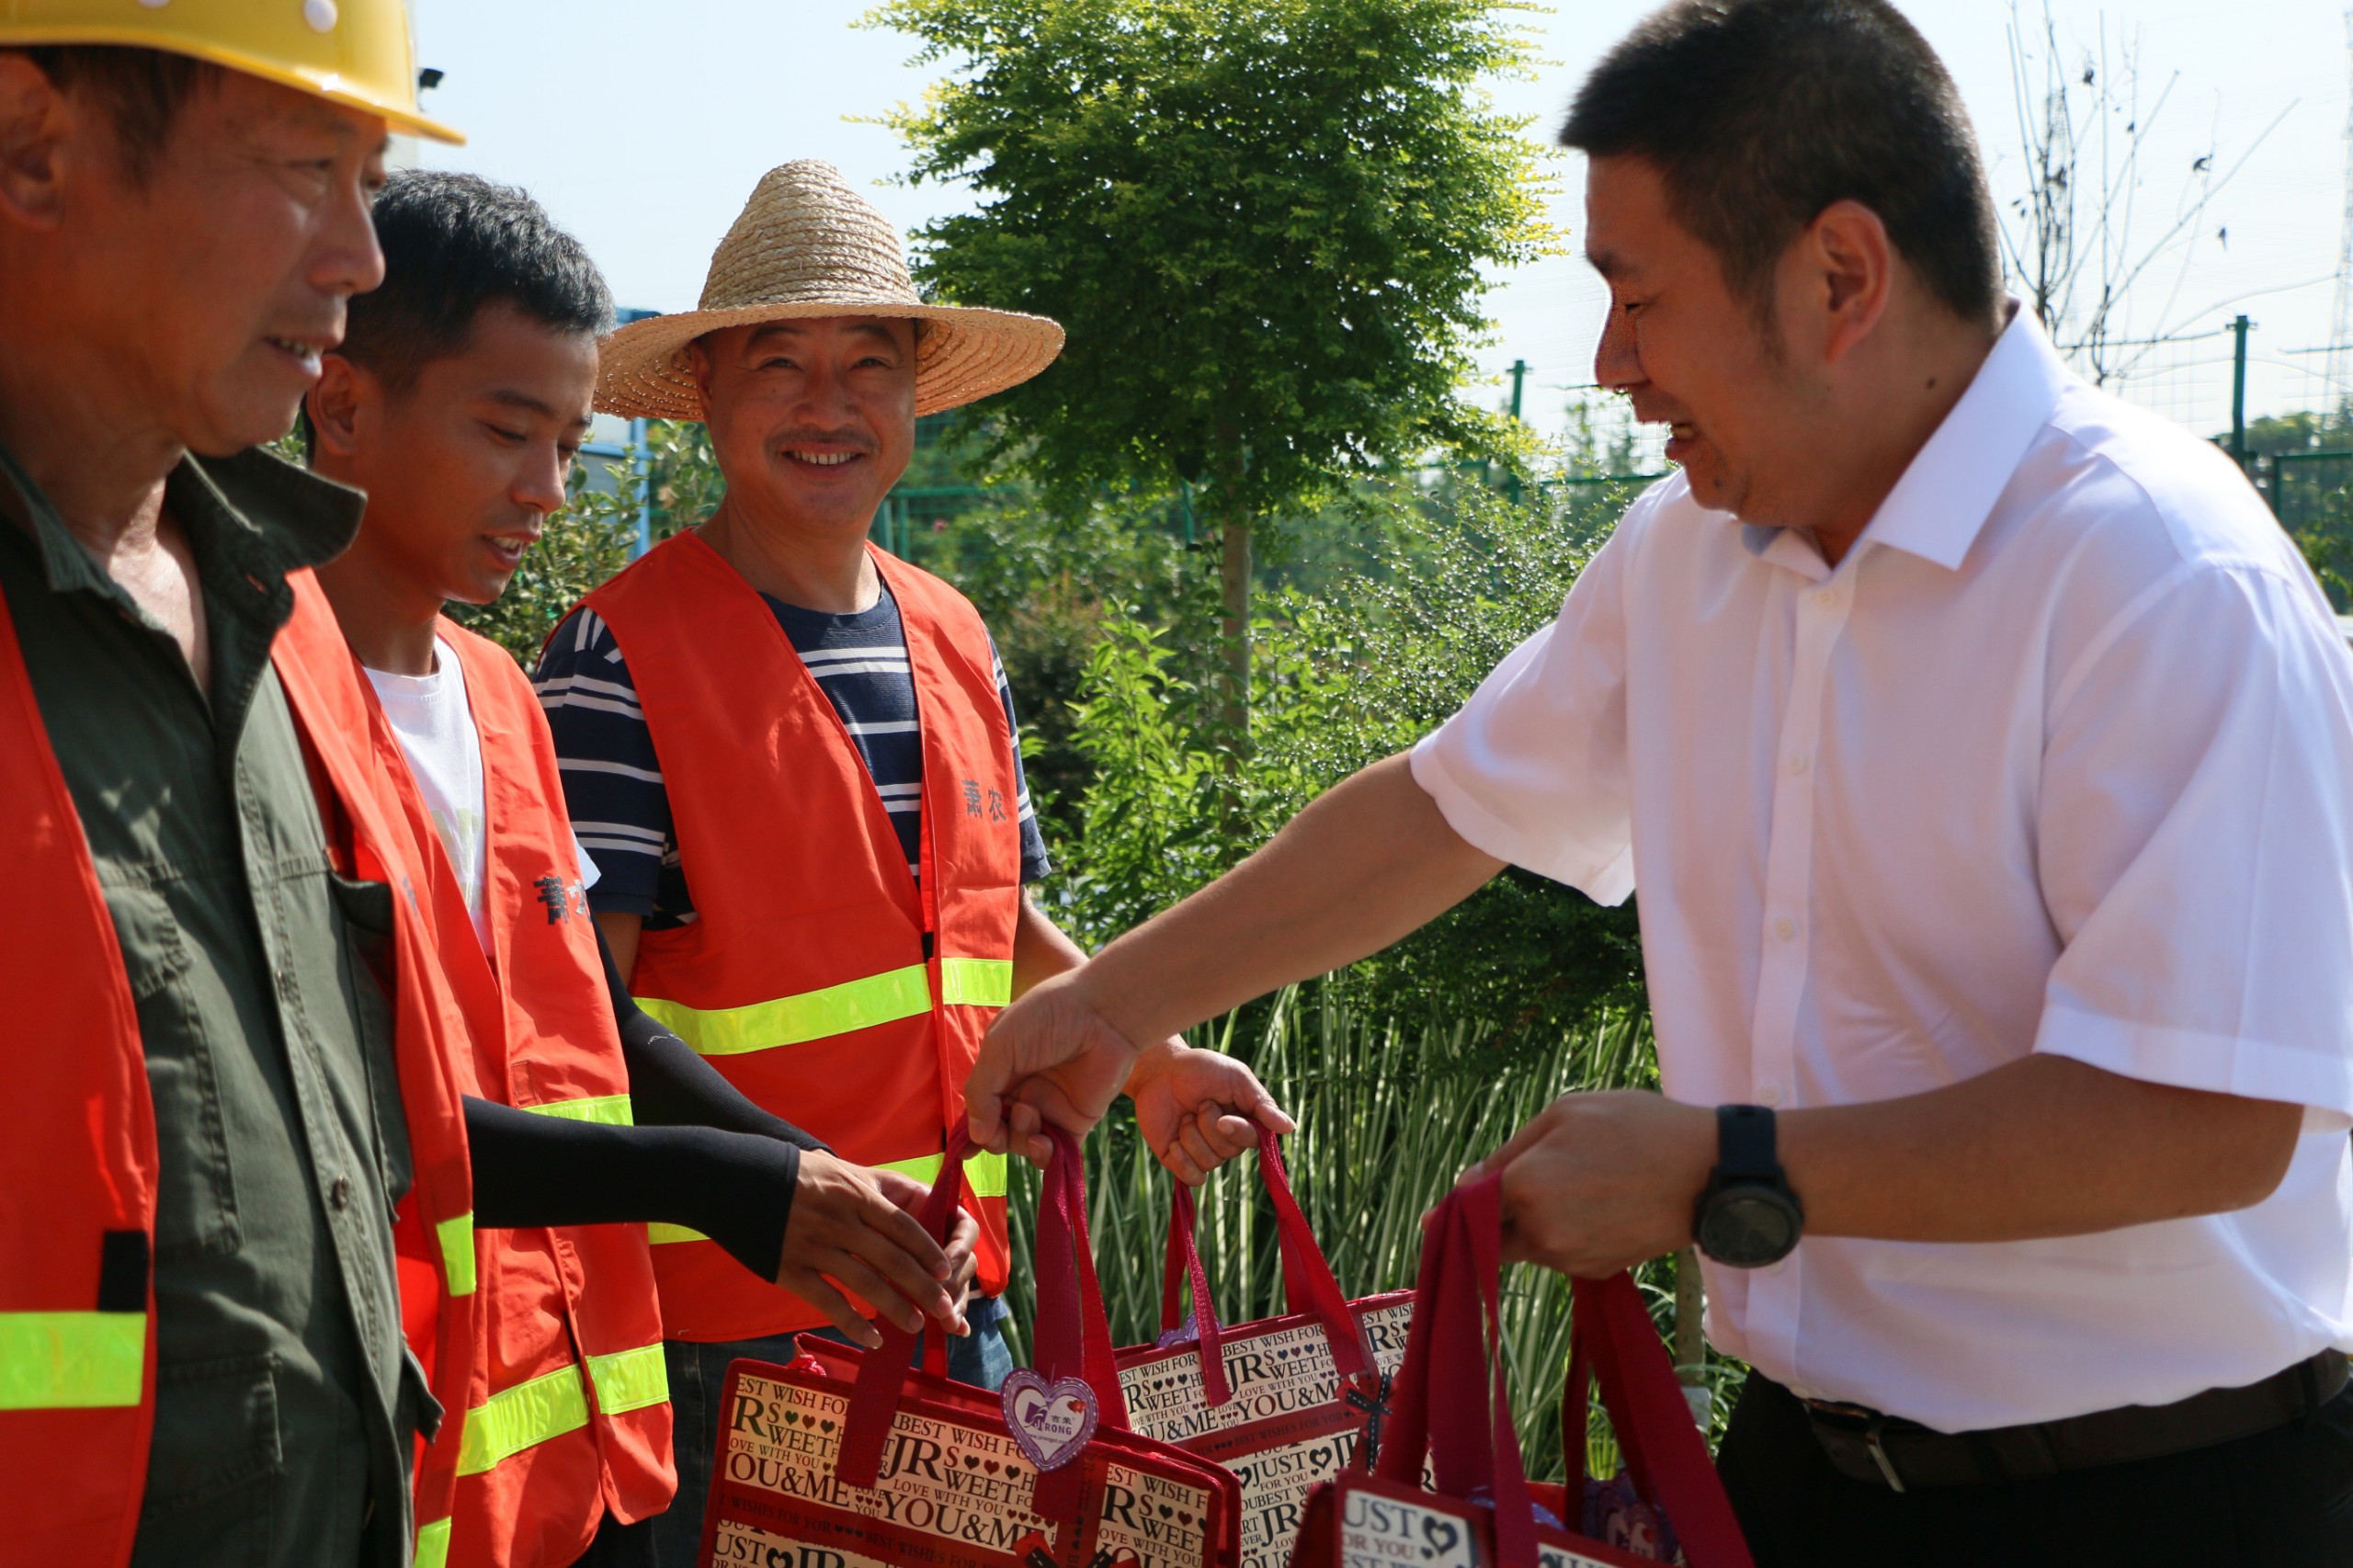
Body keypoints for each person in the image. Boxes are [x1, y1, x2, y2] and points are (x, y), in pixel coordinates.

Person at [964, 3, 2353, 1562]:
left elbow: (2204, 1118)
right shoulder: (1686, 560)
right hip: (1792, 1476)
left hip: (2165, 1499)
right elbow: (1443, 810)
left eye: (1637, 297)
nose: (1613, 366)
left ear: (1842, 276)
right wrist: (1105, 1008)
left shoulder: (2159, 578)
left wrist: (1722, 1169)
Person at [537, 158, 1290, 1558]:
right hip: (731, 1330)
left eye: (868, 364)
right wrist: (784, 1182)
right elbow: (581, 1019)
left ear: (913, 399)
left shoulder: (952, 633)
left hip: (955, 1300)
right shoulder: (613, 656)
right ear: (705, 394)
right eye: (782, 363)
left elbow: (994, 929)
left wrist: (1152, 1054)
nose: (830, 405)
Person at [303, 170, 979, 1568]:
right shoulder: (260, 695)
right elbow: (352, 1105)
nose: (550, 490)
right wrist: (729, 1183)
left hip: (585, 1448)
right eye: (507, 432)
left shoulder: (497, 698)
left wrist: (806, 1181)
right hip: (387, 1439)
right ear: (343, 399)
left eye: (567, 440)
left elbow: (576, 1034)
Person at [0, 11, 488, 1568]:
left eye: (371, 177)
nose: (361, 255)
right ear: (32, 146)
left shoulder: (287, 620)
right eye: (302, 169)